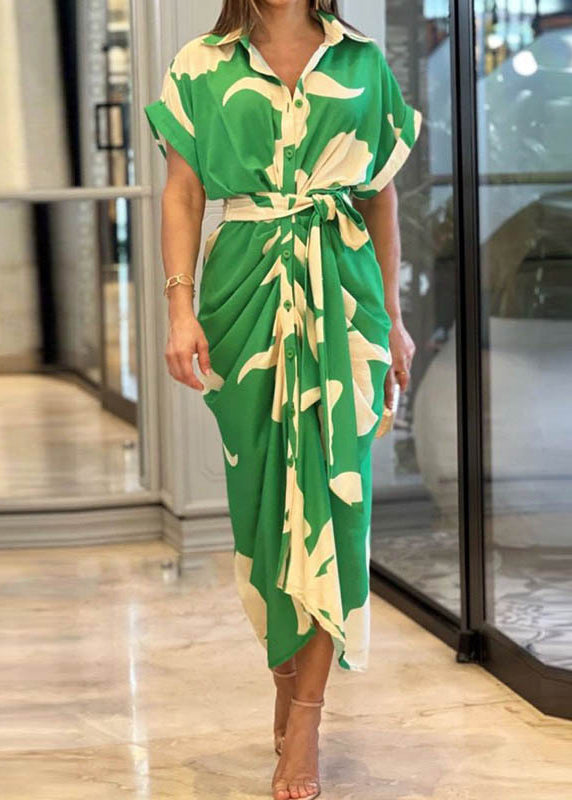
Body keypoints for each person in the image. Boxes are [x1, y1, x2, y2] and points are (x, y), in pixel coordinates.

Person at [144, 1, 422, 797]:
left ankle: (306, 715)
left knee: (336, 505)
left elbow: (380, 197)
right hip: (246, 296)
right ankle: (283, 672)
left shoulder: (361, 61)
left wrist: (395, 318)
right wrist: (179, 308)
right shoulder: (201, 63)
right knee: (265, 511)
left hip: (345, 302)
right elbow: (183, 192)